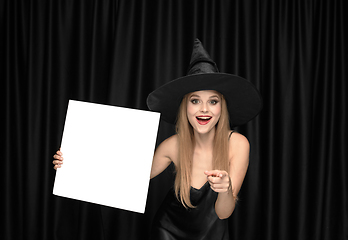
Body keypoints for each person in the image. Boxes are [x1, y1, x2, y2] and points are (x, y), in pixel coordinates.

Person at [53, 39, 262, 240]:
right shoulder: (172, 145)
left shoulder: (238, 144)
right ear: (185, 107)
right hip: (167, 230)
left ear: (221, 107)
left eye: (213, 101)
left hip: (212, 234)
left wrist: (225, 189)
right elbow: (127, 177)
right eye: (195, 100)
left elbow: (224, 213)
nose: (204, 109)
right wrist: (72, 163)